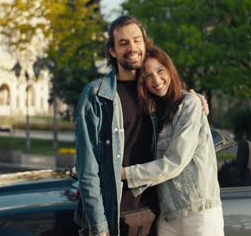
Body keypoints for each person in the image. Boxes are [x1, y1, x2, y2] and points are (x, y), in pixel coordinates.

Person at [74, 16, 209, 236]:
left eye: (137, 40)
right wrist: (99, 228)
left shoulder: (155, 93)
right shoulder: (96, 96)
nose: (132, 48)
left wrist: (196, 98)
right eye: (123, 43)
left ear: (146, 44)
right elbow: (88, 169)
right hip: (114, 216)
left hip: (155, 216)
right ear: (112, 51)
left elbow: (182, 107)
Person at [121, 46, 224, 236]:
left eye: (160, 71)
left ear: (170, 69)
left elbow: (174, 162)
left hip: (198, 213)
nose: (156, 80)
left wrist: (123, 174)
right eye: (147, 76)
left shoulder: (190, 105)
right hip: (167, 216)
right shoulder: (154, 114)